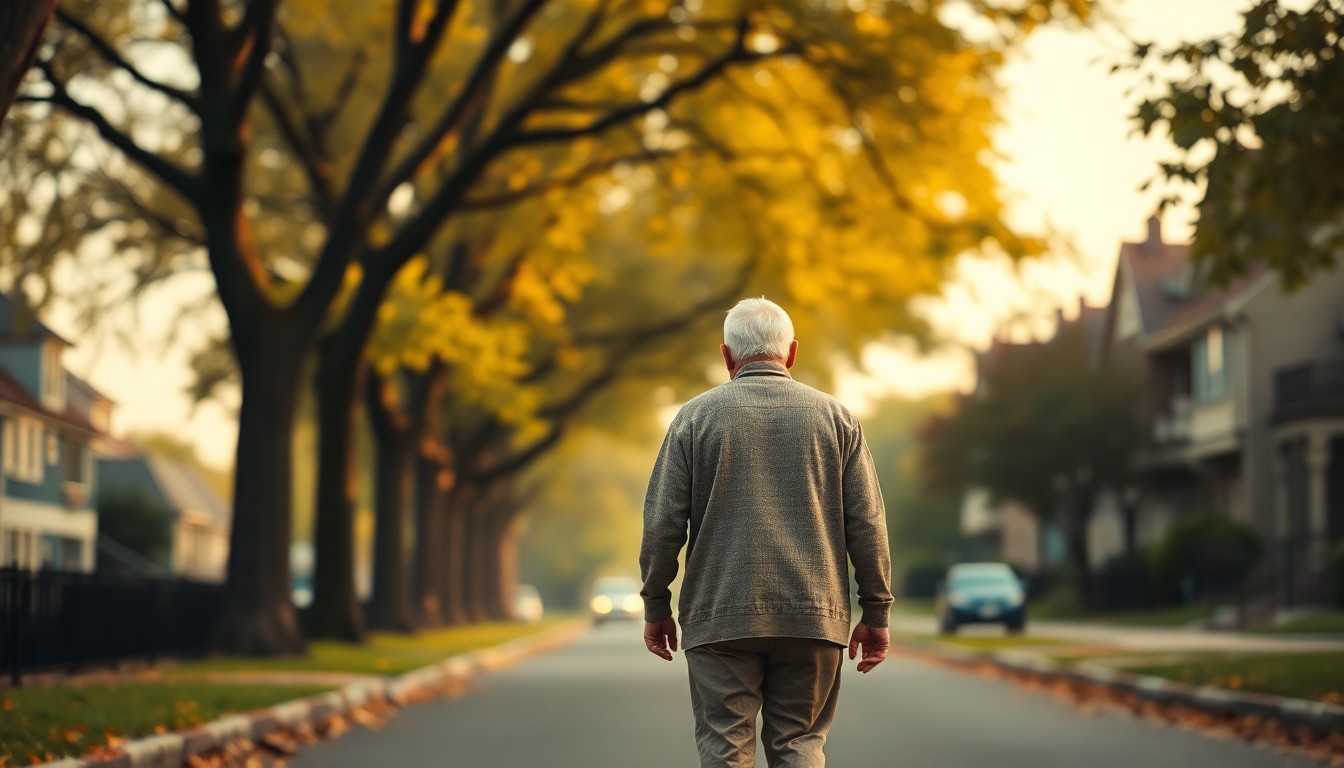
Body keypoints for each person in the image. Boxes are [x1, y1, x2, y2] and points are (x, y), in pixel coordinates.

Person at [639, 297, 893, 768]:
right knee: (799, 745)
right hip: (813, 615)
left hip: (720, 616)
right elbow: (867, 523)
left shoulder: (694, 420)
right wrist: (876, 609)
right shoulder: (837, 421)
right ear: (791, 353)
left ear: (728, 356)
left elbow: (662, 523)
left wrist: (657, 603)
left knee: (725, 747)